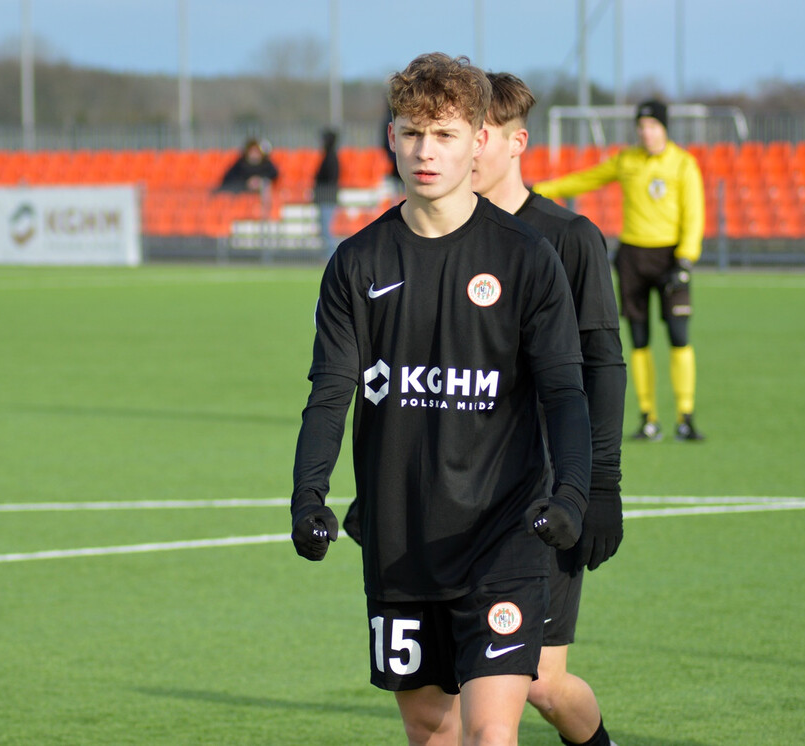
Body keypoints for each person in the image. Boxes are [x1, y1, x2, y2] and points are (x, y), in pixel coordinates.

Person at [290, 52, 592, 746]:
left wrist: (573, 495)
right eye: (412, 133)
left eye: (446, 135)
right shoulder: (357, 264)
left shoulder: (525, 257)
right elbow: (329, 393)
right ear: (391, 137)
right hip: (401, 541)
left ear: (479, 140)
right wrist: (308, 496)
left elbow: (564, 392)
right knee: (431, 728)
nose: (426, 151)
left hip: (504, 539)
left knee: (491, 734)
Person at [472, 72, 624, 746]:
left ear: (516, 141)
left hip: (542, 489)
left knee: (538, 682)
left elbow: (603, 367)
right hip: (459, 487)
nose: (468, 151)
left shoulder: (569, 238)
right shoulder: (440, 237)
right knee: (456, 686)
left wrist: (601, 485)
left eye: (483, 136)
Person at [534, 99, 706, 442]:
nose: (646, 132)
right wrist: (541, 191)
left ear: (665, 128)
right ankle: (649, 419)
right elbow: (588, 179)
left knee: (679, 338)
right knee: (639, 341)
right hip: (633, 257)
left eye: (653, 126)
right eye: (641, 126)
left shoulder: (683, 164)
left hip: (671, 258)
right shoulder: (627, 161)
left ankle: (685, 416)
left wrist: (686, 259)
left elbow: (695, 212)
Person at [313, 128, 341, 258]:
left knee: (326, 229)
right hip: (325, 197)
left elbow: (328, 178)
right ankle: (329, 255)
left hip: (327, 198)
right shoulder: (329, 157)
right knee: (324, 228)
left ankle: (331, 256)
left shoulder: (331, 158)